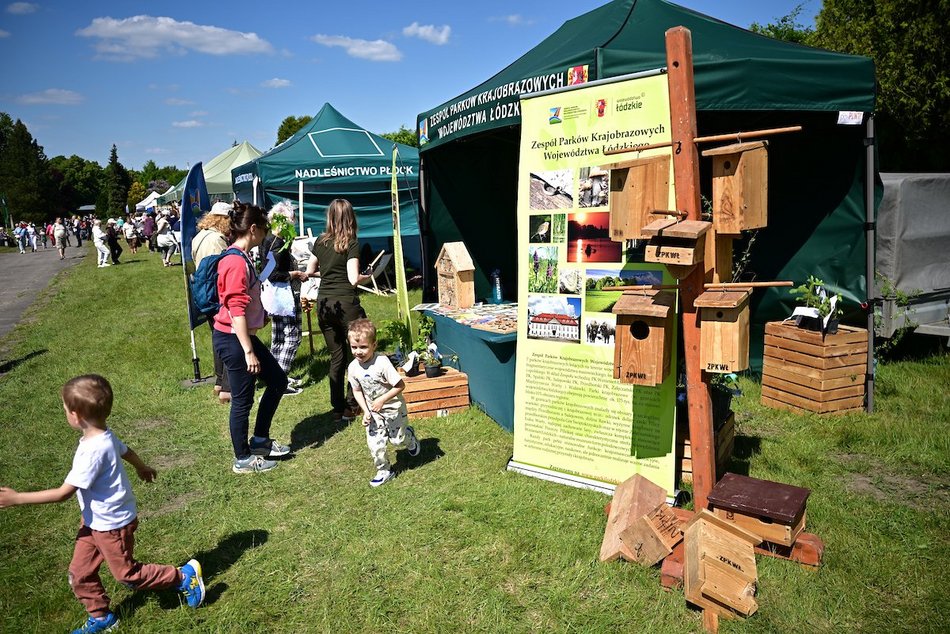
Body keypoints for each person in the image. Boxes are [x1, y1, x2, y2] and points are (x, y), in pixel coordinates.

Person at [0, 374, 205, 633]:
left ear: (75, 415)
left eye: (64, 409)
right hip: (94, 521)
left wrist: (17, 498)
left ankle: (182, 577)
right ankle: (101, 617)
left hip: (112, 525)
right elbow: (126, 450)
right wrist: (141, 467)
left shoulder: (92, 452)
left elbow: (63, 493)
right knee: (79, 572)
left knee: (126, 574)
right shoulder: (104, 436)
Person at [212, 202, 291, 473]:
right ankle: (243, 459)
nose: (266, 235)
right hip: (234, 340)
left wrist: (260, 316)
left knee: (278, 380)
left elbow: (246, 302)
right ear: (253, 229)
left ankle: (260, 441)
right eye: (264, 229)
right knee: (242, 400)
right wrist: (248, 351)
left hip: (242, 336)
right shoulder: (234, 260)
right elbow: (235, 309)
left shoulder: (243, 256)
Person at [304, 199, 372, 421]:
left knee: (336, 357)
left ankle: (336, 407)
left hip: (324, 305)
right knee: (359, 354)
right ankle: (352, 406)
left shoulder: (320, 241)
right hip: (346, 305)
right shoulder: (351, 243)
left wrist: (328, 273)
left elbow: (310, 270)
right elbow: (353, 279)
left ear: (330, 217)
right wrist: (368, 276)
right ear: (351, 217)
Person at [347, 318, 419, 487]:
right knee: (375, 445)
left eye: (363, 347)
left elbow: (400, 385)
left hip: (393, 408)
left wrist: (381, 400)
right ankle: (384, 470)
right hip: (373, 413)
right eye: (354, 347)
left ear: (374, 345)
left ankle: (409, 436)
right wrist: (366, 411)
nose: (358, 352)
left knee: (397, 440)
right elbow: (357, 391)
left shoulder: (382, 363)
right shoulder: (353, 368)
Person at [262, 201, 307, 396]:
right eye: (292, 221)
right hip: (284, 294)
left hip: (273, 294)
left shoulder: (268, 239)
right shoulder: (278, 244)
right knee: (293, 337)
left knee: (278, 337)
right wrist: (295, 274)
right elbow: (273, 274)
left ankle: (275, 375)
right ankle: (279, 380)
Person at [193, 201, 233, 404]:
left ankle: (219, 382)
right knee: (228, 340)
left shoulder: (199, 236)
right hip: (216, 293)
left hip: (204, 293)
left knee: (218, 338)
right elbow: (225, 268)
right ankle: (227, 387)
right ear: (223, 220)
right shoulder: (217, 239)